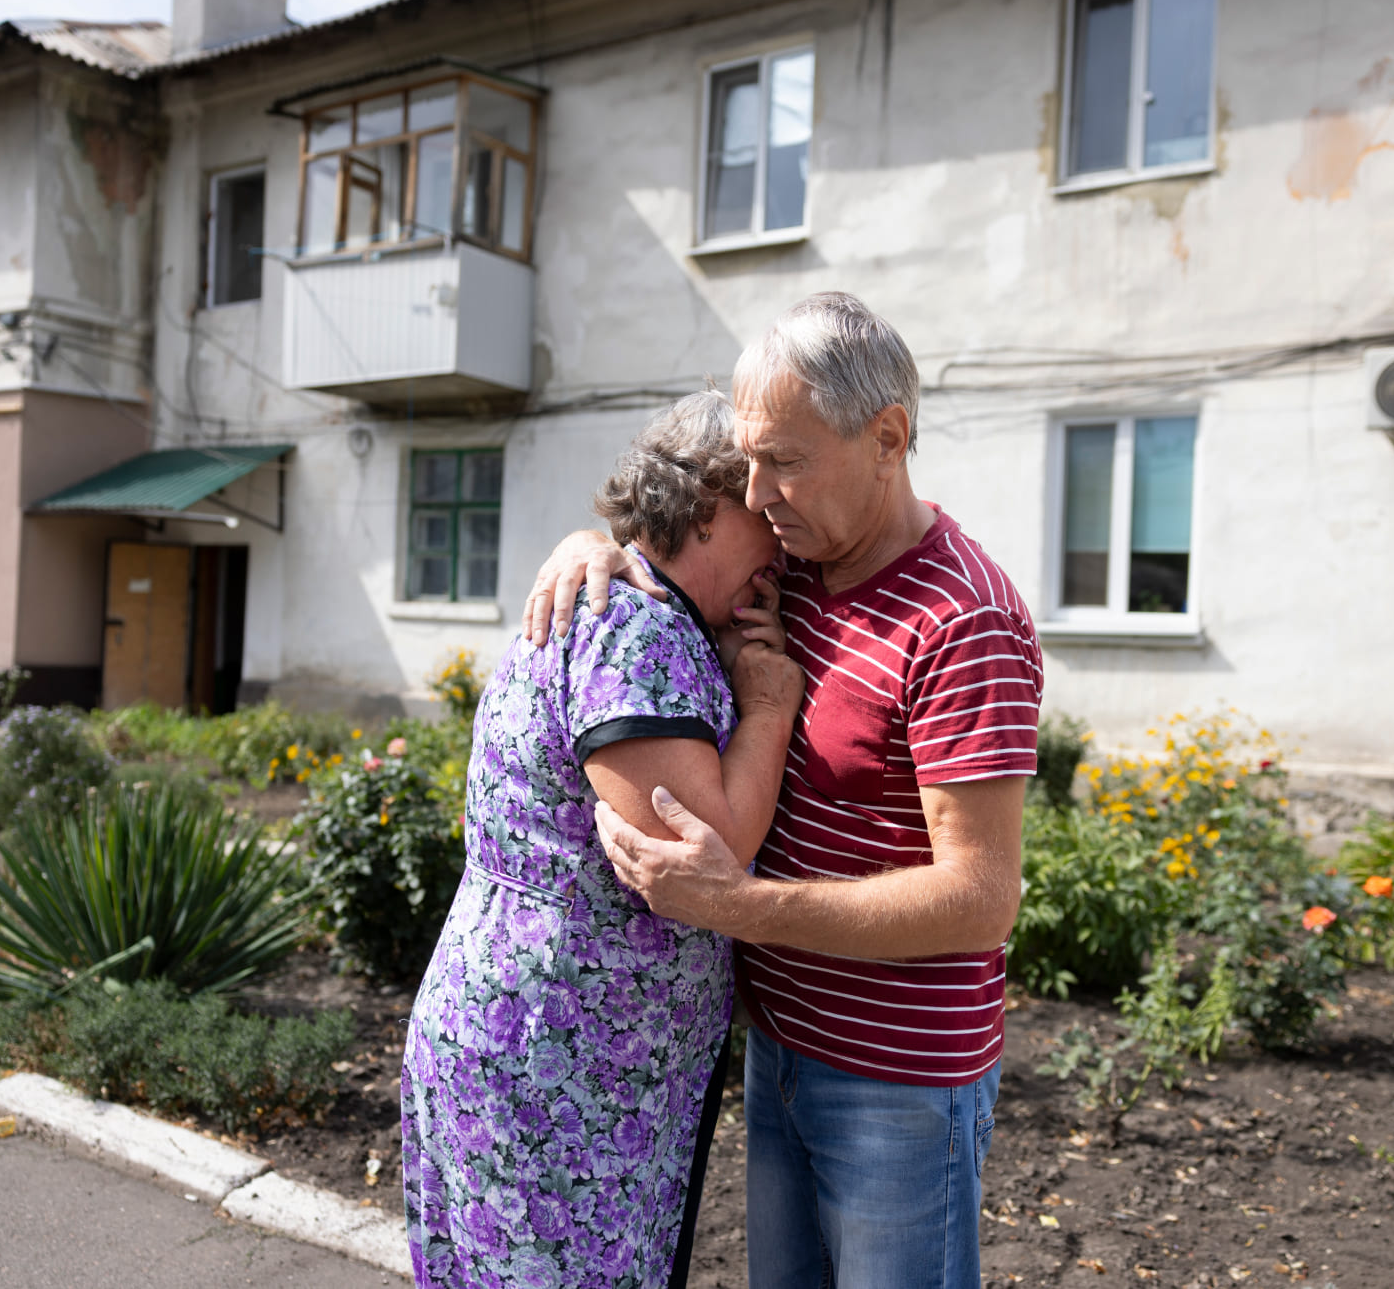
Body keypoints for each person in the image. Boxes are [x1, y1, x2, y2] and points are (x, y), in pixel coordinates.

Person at [522, 292, 1046, 1289]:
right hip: (781, 1051)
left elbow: (983, 896)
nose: (755, 493)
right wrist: (589, 547)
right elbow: (671, 551)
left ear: (887, 436)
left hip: (896, 1085)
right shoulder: (798, 569)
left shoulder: (961, 619)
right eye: (749, 460)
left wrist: (735, 907)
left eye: (783, 460)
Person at [399, 389, 804, 1289]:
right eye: (760, 511)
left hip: (538, 1042)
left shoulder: (626, 602)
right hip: (563, 1068)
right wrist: (772, 703)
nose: (779, 543)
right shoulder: (635, 632)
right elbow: (710, 851)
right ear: (704, 508)